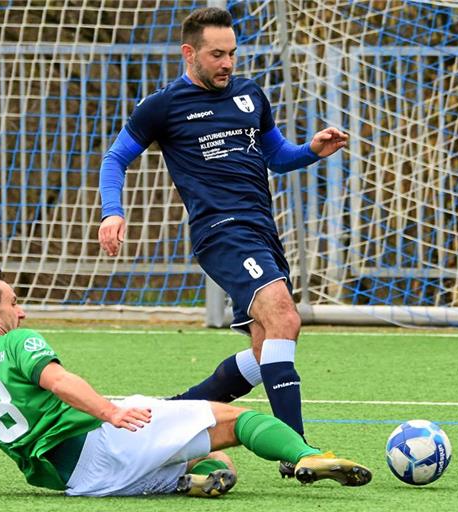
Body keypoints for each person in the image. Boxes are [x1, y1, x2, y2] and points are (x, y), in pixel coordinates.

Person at [98, 7, 349, 477]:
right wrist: (113, 211)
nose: (227, 63)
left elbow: (275, 155)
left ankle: (165, 415)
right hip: (221, 230)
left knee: (263, 353)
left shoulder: (251, 95)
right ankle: (300, 452)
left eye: (232, 53)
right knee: (284, 316)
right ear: (189, 53)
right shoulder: (163, 106)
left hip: (261, 230)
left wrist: (310, 152)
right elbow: (115, 159)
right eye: (217, 54)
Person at [0, 267, 371, 497]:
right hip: (100, 441)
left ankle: (185, 481)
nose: (20, 310)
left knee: (212, 459)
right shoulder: (16, 343)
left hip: (78, 484)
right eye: (13, 303)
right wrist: (109, 412)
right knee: (240, 422)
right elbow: (59, 380)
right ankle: (307, 455)